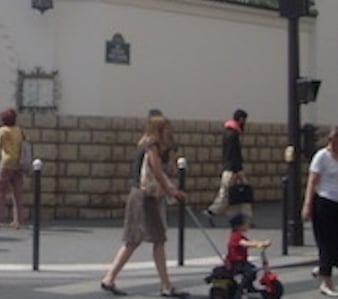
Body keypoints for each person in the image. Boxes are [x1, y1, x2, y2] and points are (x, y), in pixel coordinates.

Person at [100, 114, 188, 297]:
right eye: (167, 129)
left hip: (141, 195)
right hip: (144, 197)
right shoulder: (151, 145)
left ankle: (110, 278)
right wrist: (173, 191)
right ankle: (166, 286)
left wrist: (171, 160)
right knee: (152, 239)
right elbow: (156, 170)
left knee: (139, 239)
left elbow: (163, 170)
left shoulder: (147, 143)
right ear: (159, 130)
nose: (170, 132)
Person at [302, 126, 338, 297]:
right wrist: (307, 205)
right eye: (334, 142)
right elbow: (312, 181)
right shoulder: (321, 156)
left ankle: (323, 266)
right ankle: (327, 283)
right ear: (330, 140)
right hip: (323, 202)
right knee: (327, 243)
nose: (337, 146)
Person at [205, 108, 249, 225]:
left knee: (240, 195)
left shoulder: (228, 133)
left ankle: (243, 218)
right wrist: (237, 171)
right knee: (228, 196)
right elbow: (233, 154)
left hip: (231, 169)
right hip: (233, 170)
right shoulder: (232, 135)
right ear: (241, 119)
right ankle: (211, 212)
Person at [225, 213, 270, 293]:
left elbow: (249, 241)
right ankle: (241, 289)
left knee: (253, 270)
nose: (248, 225)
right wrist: (257, 244)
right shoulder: (235, 236)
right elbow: (244, 243)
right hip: (235, 262)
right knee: (249, 272)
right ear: (239, 226)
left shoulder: (240, 235)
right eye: (246, 223)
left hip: (242, 261)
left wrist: (260, 242)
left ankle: (249, 287)